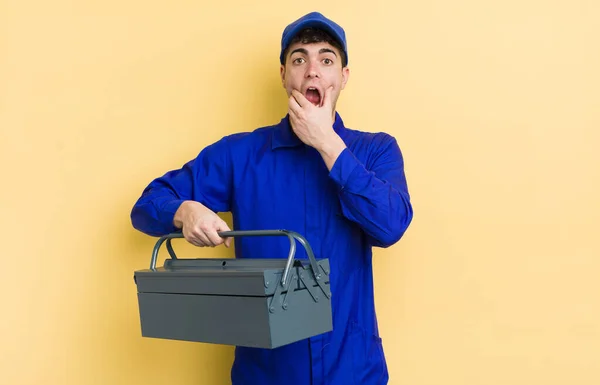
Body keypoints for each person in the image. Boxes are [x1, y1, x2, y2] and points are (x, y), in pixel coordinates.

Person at [130, 11, 413, 385]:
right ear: (283, 75)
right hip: (266, 374)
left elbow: (390, 225)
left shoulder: (376, 150)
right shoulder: (240, 154)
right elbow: (148, 205)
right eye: (299, 59)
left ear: (343, 77)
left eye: (326, 59)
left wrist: (327, 143)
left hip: (354, 372)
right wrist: (183, 211)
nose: (312, 70)